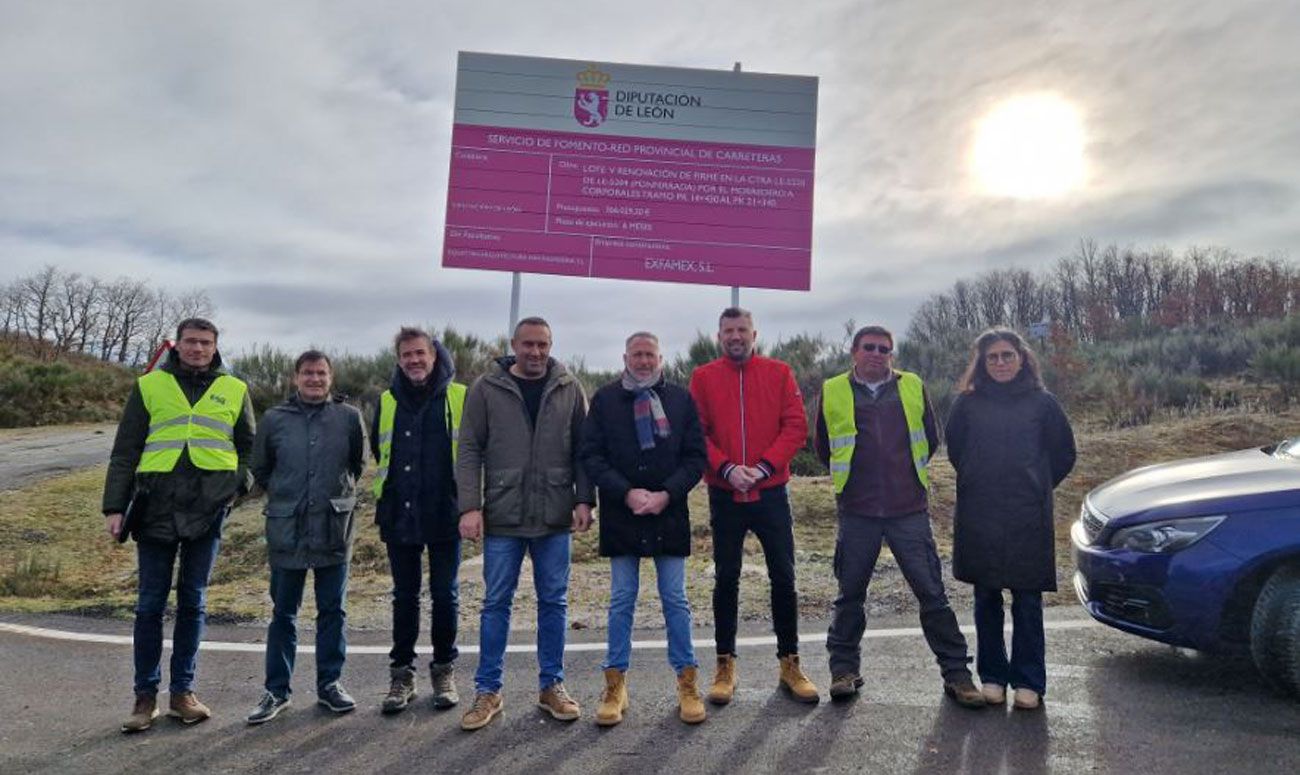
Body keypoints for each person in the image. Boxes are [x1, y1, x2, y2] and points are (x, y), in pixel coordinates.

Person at [814, 324, 984, 707]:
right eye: (870, 347)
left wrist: (903, 479)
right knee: (849, 595)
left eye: (885, 349)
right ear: (854, 352)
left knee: (932, 595)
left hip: (908, 508)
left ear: (892, 354)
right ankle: (844, 670)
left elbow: (930, 437)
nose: (877, 354)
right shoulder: (833, 390)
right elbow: (825, 447)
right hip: (857, 509)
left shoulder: (912, 385)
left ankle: (957, 675)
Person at [102, 318, 255, 732]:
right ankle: (144, 697)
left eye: (205, 343)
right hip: (155, 507)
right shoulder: (149, 386)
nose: (197, 349)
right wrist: (115, 507)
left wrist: (235, 488)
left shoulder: (235, 389)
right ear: (177, 344)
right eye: (191, 342)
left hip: (208, 509)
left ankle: (183, 694)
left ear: (215, 347)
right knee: (150, 604)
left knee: (194, 601)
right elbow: (124, 452)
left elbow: (249, 449)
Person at [456, 316, 595, 730]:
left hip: (554, 515)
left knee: (554, 602)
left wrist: (584, 498)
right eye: (528, 344)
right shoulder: (486, 388)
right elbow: (469, 449)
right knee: (496, 603)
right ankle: (488, 691)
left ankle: (552, 686)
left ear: (551, 346)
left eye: (543, 345)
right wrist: (469, 505)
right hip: (502, 514)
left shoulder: (569, 387)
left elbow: (584, 450)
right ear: (513, 344)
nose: (536, 352)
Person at [688, 307, 819, 705]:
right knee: (726, 578)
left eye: (742, 329)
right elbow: (697, 431)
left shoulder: (778, 372)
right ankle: (725, 664)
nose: (735, 336)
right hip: (725, 493)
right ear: (719, 336)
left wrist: (762, 468)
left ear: (754, 333)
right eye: (728, 330)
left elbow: (795, 426)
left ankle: (790, 662)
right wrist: (727, 468)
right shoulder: (703, 377)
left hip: (771, 492)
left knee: (784, 576)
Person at [579, 332, 709, 726]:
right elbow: (591, 455)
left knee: (675, 599)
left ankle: (687, 682)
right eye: (637, 354)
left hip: (669, 513)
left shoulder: (681, 400)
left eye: (650, 355)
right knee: (621, 600)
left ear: (660, 358)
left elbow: (695, 457)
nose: (643, 361)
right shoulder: (604, 400)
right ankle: (615, 684)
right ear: (625, 357)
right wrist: (626, 492)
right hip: (623, 514)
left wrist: (667, 494)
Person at [944, 328, 1076, 710]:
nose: (1000, 363)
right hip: (979, 514)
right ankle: (993, 676)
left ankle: (1029, 681)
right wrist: (976, 478)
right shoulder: (967, 405)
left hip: (1027, 517)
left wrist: (1036, 486)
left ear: (1022, 359)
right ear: (982, 364)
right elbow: (957, 451)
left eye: (1007, 355)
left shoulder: (1043, 404)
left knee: (1027, 601)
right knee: (985, 598)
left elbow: (1064, 453)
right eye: (992, 357)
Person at [244, 350, 366, 724]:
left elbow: (357, 466)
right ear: (295, 377)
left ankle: (330, 684)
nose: (315, 379)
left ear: (331, 377)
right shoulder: (274, 419)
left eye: (321, 373)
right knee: (283, 613)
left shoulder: (349, 418)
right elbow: (260, 469)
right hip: (287, 529)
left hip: (333, 529)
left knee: (333, 611)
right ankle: (276, 690)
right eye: (308, 373)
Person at [373, 327, 467, 714]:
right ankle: (401, 676)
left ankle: (443, 670)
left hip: (446, 512)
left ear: (434, 355)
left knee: (445, 595)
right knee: (404, 597)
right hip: (399, 512)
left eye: (420, 353)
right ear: (398, 359)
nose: (414, 360)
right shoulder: (386, 400)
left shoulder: (460, 396)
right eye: (407, 354)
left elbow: (476, 452)